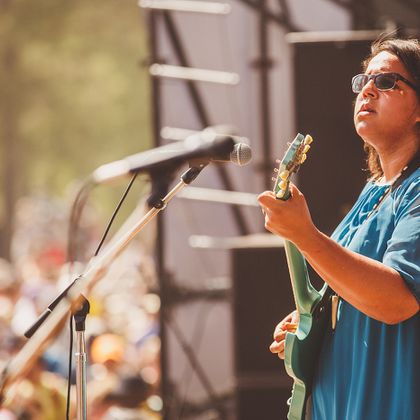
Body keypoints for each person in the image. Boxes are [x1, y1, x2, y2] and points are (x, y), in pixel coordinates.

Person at [258, 34, 420, 420]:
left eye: (385, 81)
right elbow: (352, 290)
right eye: (362, 81)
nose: (367, 89)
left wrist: (305, 235)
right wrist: (312, 319)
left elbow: (397, 301)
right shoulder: (374, 191)